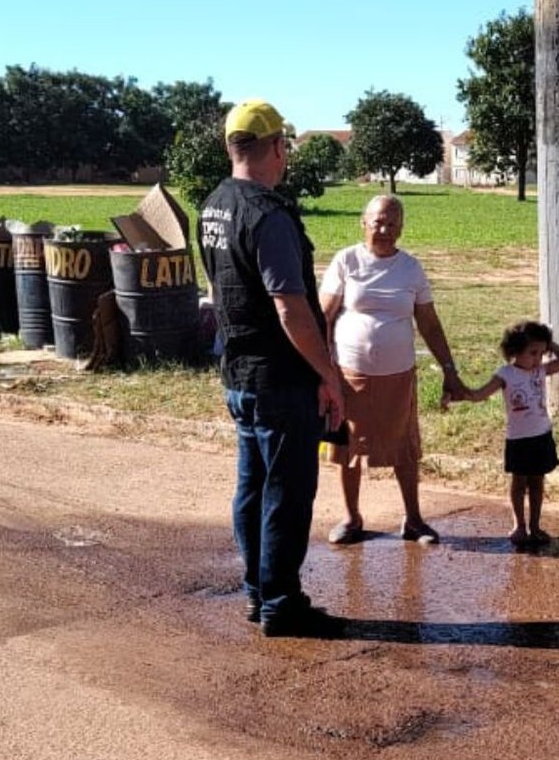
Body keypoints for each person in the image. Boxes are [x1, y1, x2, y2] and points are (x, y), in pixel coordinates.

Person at [199, 98, 344, 638]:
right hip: (279, 379)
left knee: (253, 487)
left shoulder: (213, 204)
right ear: (278, 147)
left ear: (231, 146)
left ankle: (259, 593)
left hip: (238, 373)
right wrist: (328, 375)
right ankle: (282, 602)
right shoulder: (268, 214)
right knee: (286, 489)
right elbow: (290, 306)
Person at [319, 194, 464, 545]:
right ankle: (352, 519)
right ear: (363, 223)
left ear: (401, 227)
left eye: (392, 222)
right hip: (350, 374)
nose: (385, 229)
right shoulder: (346, 261)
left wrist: (449, 368)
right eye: (378, 221)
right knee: (348, 449)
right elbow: (323, 316)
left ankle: (413, 520)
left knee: (405, 448)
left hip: (399, 376)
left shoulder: (411, 268)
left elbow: (428, 322)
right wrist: (322, 371)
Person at [457, 320, 559, 548]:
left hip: (541, 435)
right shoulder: (505, 374)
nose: (538, 358)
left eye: (541, 353)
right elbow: (479, 394)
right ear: (515, 352)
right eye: (532, 353)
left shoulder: (540, 370)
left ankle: (535, 526)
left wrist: (550, 344)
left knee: (538, 482)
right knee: (519, 482)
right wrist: (459, 393)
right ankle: (519, 525)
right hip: (518, 439)